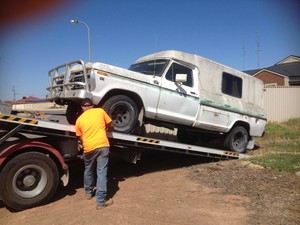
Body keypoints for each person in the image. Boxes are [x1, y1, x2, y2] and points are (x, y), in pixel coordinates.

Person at [75, 98, 114, 210]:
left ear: (82, 108)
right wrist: (108, 129)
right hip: (102, 145)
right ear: (92, 105)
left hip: (88, 148)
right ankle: (101, 202)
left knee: (88, 170)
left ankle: (88, 193)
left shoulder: (79, 120)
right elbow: (110, 124)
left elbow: (81, 137)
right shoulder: (100, 111)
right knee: (101, 172)